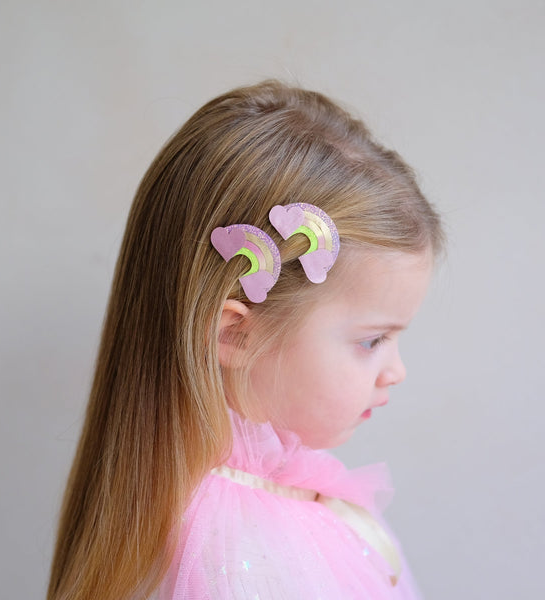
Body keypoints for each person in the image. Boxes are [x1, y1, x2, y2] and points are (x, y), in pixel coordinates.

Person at [47, 80, 444, 600]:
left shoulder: (300, 497)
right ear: (236, 334)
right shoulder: (224, 554)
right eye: (372, 341)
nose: (396, 371)